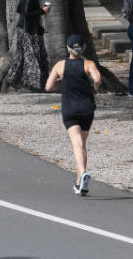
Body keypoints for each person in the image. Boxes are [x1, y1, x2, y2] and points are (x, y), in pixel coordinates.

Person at [45, 34, 100, 196]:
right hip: (87, 108)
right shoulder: (89, 64)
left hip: (70, 109)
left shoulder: (60, 66)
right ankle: (79, 183)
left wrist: (61, 81)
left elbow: (48, 87)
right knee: (82, 143)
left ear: (68, 49)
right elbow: (97, 78)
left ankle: (82, 172)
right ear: (83, 48)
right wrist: (94, 88)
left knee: (76, 143)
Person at [7, 0, 52, 90]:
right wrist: (42, 11)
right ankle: (34, 84)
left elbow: (18, 9)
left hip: (24, 28)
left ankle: (17, 80)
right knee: (34, 56)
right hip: (29, 30)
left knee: (24, 55)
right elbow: (26, 13)